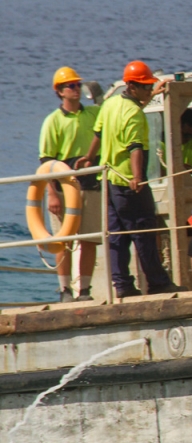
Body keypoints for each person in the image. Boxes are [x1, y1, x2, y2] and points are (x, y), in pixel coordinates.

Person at [76, 60, 185, 297]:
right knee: (143, 232)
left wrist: (88, 156)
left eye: (150, 87)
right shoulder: (135, 114)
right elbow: (135, 148)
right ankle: (157, 283)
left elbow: (99, 132)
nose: (149, 90)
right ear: (132, 86)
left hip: (110, 184)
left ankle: (123, 286)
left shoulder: (112, 103)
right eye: (146, 87)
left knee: (117, 235)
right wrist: (137, 177)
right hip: (128, 183)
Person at [39, 67, 102, 301]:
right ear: (60, 92)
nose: (77, 89)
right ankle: (65, 290)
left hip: (89, 183)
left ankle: (84, 290)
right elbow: (46, 160)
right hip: (63, 184)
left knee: (89, 239)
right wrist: (52, 194)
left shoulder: (93, 113)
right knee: (62, 240)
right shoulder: (52, 121)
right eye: (71, 86)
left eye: (78, 85)